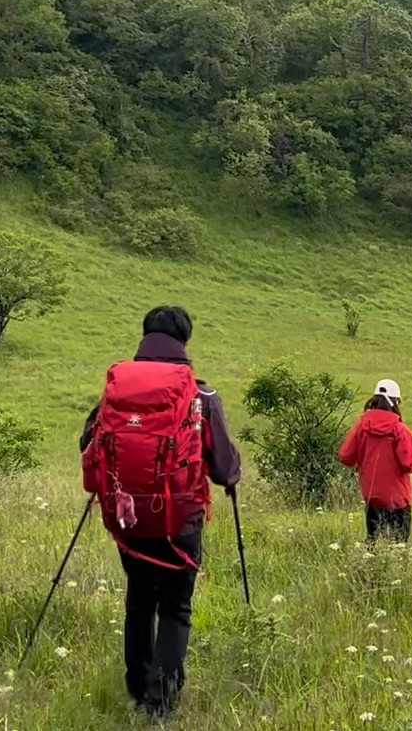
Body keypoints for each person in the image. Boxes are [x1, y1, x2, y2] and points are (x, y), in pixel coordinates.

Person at [79, 306, 241, 720]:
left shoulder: (116, 394)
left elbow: (88, 443)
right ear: (184, 343)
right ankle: (160, 702)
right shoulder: (201, 395)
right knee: (175, 607)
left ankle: (136, 689)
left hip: (127, 518)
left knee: (139, 601)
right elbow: (224, 468)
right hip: (180, 520)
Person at [338, 378, 412, 543]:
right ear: (395, 402)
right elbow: (410, 463)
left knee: (373, 544)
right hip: (398, 500)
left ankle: (371, 567)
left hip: (372, 497)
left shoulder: (362, 426)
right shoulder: (399, 430)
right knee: (399, 547)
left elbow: (346, 457)